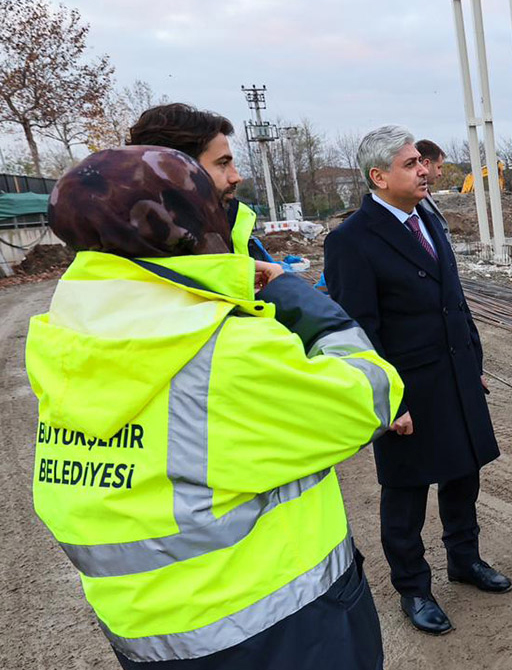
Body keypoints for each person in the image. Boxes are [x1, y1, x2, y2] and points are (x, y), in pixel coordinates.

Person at [27, 146, 404, 669]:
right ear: (187, 224)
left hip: (149, 638)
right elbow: (369, 397)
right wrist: (300, 300)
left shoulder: (62, 340)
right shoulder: (223, 348)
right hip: (277, 627)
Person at [325, 125, 511, 637]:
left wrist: (473, 364)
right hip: (407, 389)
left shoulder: (427, 219)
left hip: (454, 375)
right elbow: (356, 330)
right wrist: (389, 401)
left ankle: (464, 560)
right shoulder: (351, 240)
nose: (424, 169)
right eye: (410, 164)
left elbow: (454, 299)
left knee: (463, 473)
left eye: (420, 162)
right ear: (378, 176)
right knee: (405, 492)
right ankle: (412, 587)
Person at [128, 103, 269, 260]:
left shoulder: (233, 225)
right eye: (223, 163)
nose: (236, 177)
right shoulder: (129, 256)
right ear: (175, 170)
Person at [416, 139, 450, 234]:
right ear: (426, 164)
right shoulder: (415, 197)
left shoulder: (423, 192)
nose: (440, 173)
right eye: (438, 167)